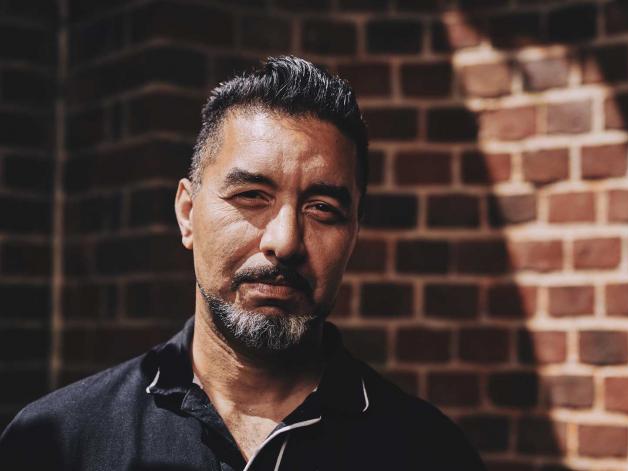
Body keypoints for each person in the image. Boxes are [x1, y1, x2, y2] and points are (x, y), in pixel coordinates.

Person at [0, 56, 485, 470]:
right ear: (188, 213)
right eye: (252, 196)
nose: (285, 241)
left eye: (322, 209)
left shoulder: (429, 452)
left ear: (354, 233)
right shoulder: (57, 442)